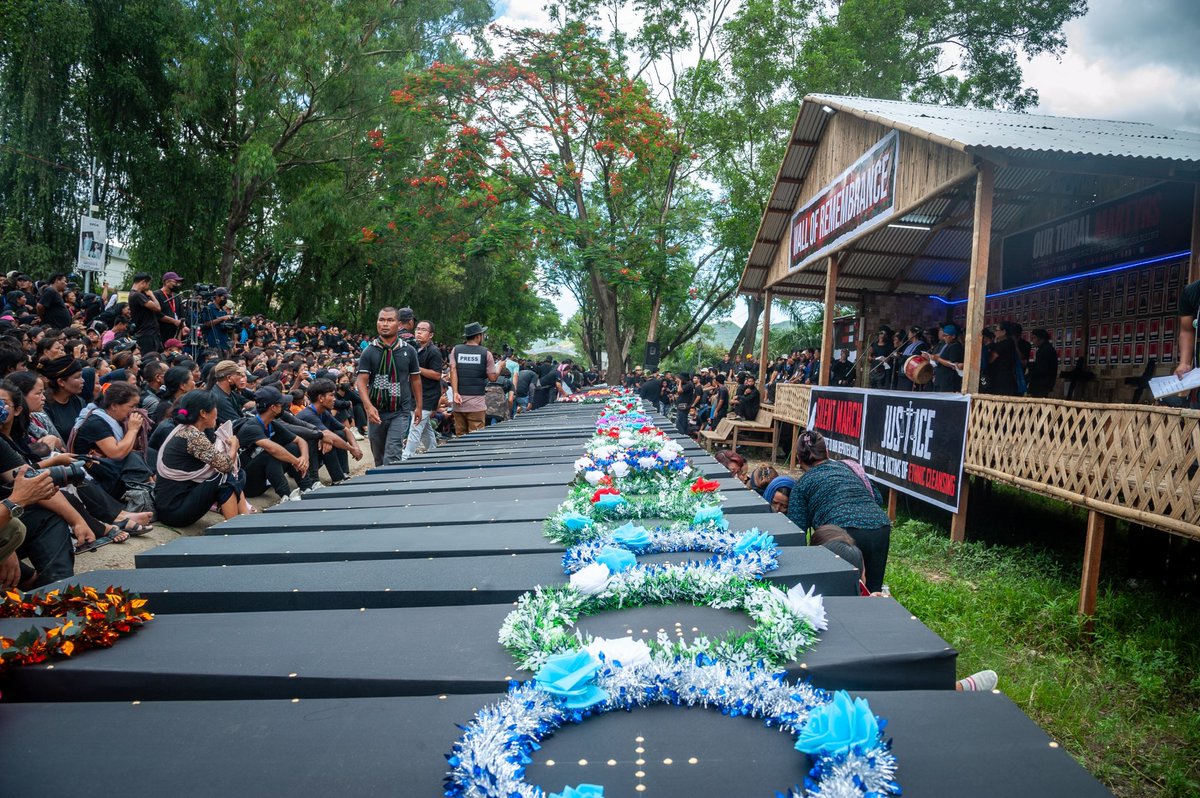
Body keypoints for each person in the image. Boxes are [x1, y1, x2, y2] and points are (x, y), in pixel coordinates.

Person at [786, 430, 891, 593]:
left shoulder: (802, 484)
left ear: (799, 459)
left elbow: (795, 529)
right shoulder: (848, 469)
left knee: (839, 591)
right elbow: (877, 498)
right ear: (826, 452)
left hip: (841, 533)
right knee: (872, 592)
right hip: (879, 526)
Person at [154, 390, 247, 525]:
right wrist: (234, 446)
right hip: (174, 511)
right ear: (203, 413)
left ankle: (245, 517)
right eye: (215, 408)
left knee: (238, 473)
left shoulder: (186, 431)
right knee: (224, 476)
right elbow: (225, 465)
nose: (217, 412)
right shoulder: (192, 436)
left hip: (176, 506)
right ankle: (235, 526)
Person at [355, 307, 421, 464]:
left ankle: (391, 487)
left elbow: (415, 379)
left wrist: (419, 405)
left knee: (392, 455)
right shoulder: (369, 351)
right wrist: (368, 407)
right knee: (378, 456)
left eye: (390, 320)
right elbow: (361, 381)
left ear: (399, 324)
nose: (385, 324)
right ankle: (381, 485)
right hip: (376, 412)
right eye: (381, 320)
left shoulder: (409, 351)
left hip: (400, 410)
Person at [236, 385, 316, 501]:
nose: (283, 407)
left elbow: (300, 440)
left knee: (293, 447)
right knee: (270, 454)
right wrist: (296, 461)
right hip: (247, 484)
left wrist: (304, 457)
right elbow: (273, 449)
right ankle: (286, 496)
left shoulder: (271, 423)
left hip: (263, 478)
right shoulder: (251, 427)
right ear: (273, 407)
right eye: (280, 404)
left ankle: (307, 487)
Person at [297, 378, 363, 483]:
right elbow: (328, 435)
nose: (334, 399)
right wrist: (352, 449)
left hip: (315, 454)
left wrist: (356, 447)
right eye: (331, 395)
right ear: (321, 398)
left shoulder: (323, 412)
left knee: (338, 435)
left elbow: (346, 430)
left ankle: (343, 474)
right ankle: (314, 481)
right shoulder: (308, 415)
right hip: (300, 461)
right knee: (328, 439)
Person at [402, 319, 444, 459]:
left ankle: (406, 456)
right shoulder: (413, 349)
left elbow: (437, 375)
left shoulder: (434, 351)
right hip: (414, 394)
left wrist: (416, 369)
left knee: (416, 426)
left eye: (423, 330)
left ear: (431, 335)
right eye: (417, 329)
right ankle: (434, 453)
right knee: (425, 429)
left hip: (428, 395)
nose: (419, 332)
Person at [449, 322, 497, 435]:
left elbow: (453, 370)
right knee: (475, 438)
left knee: (460, 437)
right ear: (478, 336)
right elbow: (492, 378)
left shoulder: (456, 350)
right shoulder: (486, 353)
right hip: (477, 405)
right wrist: (499, 368)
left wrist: (455, 392)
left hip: (458, 403)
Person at [127, 272, 163, 353]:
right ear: (143, 282)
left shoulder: (133, 294)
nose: (148, 287)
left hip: (148, 333)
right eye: (148, 284)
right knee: (151, 358)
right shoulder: (137, 295)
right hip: (147, 334)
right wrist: (152, 295)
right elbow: (157, 308)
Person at [986, 321, 1022, 396]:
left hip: (1001, 379)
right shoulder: (1011, 342)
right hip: (1008, 377)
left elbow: (990, 359)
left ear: (1004, 331)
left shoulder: (1003, 344)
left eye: (996, 330)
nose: (995, 332)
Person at [928, 324, 964, 393]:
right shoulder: (947, 345)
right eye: (943, 335)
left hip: (948, 380)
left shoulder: (955, 346)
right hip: (940, 379)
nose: (944, 338)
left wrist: (938, 359)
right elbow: (943, 355)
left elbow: (952, 363)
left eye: (946, 336)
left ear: (953, 336)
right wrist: (932, 356)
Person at [154, 271, 188, 345]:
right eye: (175, 282)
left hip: (176, 333)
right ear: (166, 282)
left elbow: (182, 315)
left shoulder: (177, 296)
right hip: (162, 333)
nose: (177, 284)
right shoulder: (156, 295)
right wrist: (174, 321)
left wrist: (183, 327)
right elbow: (158, 315)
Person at [893, 326, 929, 391]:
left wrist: (901, 357)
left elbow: (914, 357)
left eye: (909, 333)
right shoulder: (908, 345)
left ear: (914, 334)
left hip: (911, 376)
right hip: (902, 374)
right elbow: (903, 355)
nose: (908, 335)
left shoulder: (921, 345)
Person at [1026, 328, 1059, 398]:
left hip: (1042, 384)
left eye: (1034, 338)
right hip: (1042, 383)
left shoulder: (1046, 350)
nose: (1033, 341)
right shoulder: (1043, 349)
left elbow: (1042, 368)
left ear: (1041, 338)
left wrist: (1028, 365)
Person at [200, 287, 234, 353]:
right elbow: (206, 324)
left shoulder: (223, 310)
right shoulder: (208, 308)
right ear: (217, 297)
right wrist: (221, 318)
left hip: (224, 342)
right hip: (213, 343)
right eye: (223, 298)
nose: (225, 300)